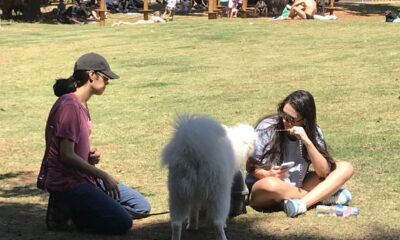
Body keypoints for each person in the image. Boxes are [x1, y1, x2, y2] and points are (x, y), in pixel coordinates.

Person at [37, 52, 151, 234]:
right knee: (122, 223)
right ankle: (71, 214)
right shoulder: (70, 105)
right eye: (105, 78)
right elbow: (66, 154)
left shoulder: (81, 104)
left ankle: (90, 207)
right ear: (92, 75)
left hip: (85, 177)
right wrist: (104, 175)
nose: (107, 83)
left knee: (141, 206)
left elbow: (70, 145)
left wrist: (87, 153)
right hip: (69, 183)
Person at [245, 90, 354, 217]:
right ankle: (322, 198)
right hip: (265, 190)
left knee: (345, 167)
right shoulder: (267, 127)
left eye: (291, 119)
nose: (285, 120)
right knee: (271, 184)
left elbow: (323, 172)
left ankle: (300, 204)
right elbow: (251, 166)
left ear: (304, 120)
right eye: (283, 114)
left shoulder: (313, 131)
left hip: (297, 185)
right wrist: (268, 174)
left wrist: (307, 141)